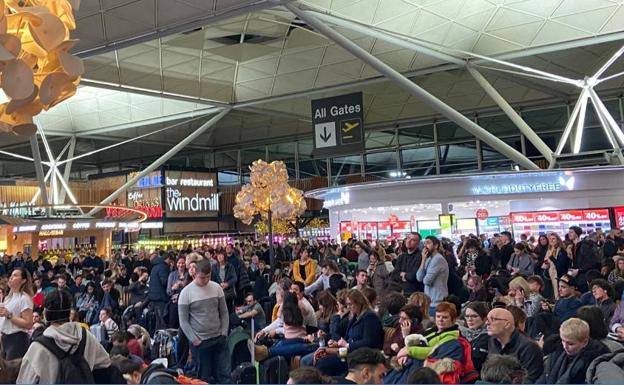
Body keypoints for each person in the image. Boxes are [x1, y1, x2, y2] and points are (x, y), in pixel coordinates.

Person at [17, 288, 112, 383]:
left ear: (45, 313)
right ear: (69, 312)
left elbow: (24, 380)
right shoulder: (86, 336)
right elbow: (105, 362)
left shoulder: (38, 347)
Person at [178, 259, 229, 383]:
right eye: (202, 277)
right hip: (201, 343)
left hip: (219, 339)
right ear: (195, 274)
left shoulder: (217, 288)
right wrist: (195, 340)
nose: (205, 280)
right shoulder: (186, 293)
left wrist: (224, 332)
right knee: (203, 378)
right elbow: (183, 321)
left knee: (225, 376)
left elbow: (224, 312)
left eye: (208, 277)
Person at [537, 318, 610, 384]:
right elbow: (544, 378)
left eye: (570, 344)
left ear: (585, 342)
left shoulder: (596, 360)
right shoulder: (556, 350)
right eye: (563, 340)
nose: (565, 346)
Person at [486, 307, 544, 382]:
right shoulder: (492, 341)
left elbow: (531, 380)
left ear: (507, 324)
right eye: (487, 319)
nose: (487, 323)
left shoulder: (529, 347)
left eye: (493, 319)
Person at [0, 268, 34, 360]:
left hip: (17, 339)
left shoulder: (24, 298)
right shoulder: (8, 298)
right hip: (5, 338)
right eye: (11, 275)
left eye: (15, 275)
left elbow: (28, 323)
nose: (11, 277)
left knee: (12, 372)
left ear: (23, 280)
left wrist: (8, 315)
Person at [416, 236, 449, 313]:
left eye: (428, 243)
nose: (425, 246)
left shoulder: (438, 259)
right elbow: (419, 277)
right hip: (430, 301)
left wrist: (425, 276)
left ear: (436, 245)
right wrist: (423, 259)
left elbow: (427, 281)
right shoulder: (428, 258)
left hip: (437, 301)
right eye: (424, 243)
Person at [568, 226, 600, 292]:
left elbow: (592, 262)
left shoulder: (584, 246)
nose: (569, 234)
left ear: (576, 234)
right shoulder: (573, 246)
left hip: (585, 278)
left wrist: (579, 270)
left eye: (571, 232)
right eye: (569, 232)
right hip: (578, 278)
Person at [461, 301, 490, 373]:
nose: (470, 319)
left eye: (474, 316)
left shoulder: (490, 336)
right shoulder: (461, 333)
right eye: (467, 316)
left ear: (484, 318)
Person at [147, 251, 170, 332]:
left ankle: (157, 339)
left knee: (158, 322)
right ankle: (163, 340)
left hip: (154, 297)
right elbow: (164, 281)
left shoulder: (155, 266)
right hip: (161, 297)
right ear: (167, 259)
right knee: (163, 321)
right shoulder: (163, 267)